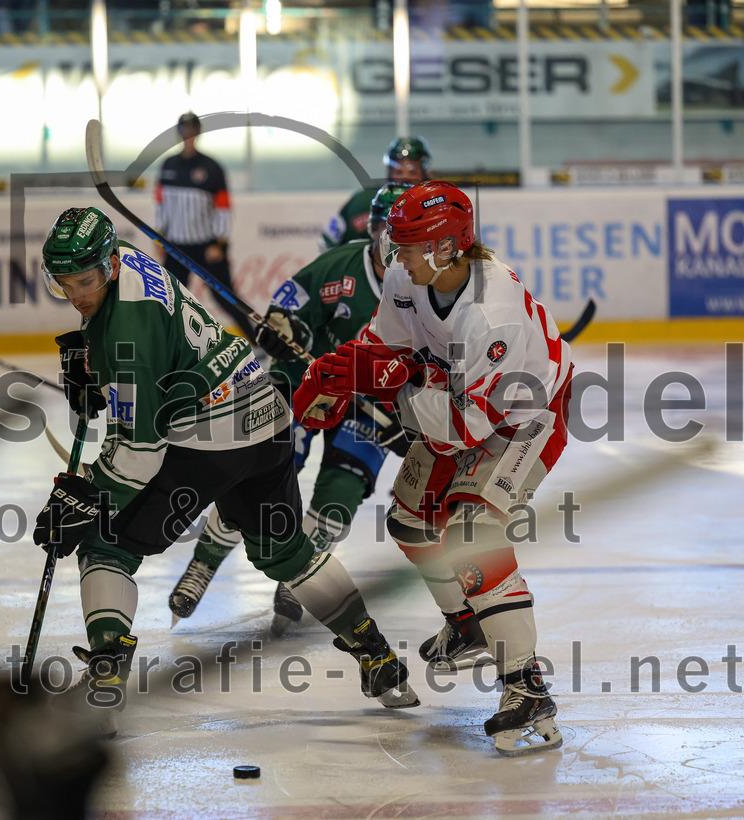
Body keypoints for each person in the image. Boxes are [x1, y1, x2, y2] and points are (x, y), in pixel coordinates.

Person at [32, 206, 419, 735]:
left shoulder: (126, 337)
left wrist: (86, 495)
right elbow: (158, 341)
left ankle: (105, 684)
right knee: (285, 550)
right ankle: (377, 657)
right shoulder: (130, 262)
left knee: (106, 545)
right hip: (265, 415)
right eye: (65, 285)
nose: (77, 294)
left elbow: (139, 450)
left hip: (209, 441)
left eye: (86, 281)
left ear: (108, 265)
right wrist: (91, 359)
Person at [295, 181, 571, 756]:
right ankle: (467, 623)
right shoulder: (407, 275)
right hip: (453, 399)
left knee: (473, 535)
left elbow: (468, 430)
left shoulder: (491, 314)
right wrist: (343, 370)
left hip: (525, 413)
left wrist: (397, 389)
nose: (397, 256)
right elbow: (383, 344)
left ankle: (528, 688)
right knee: (409, 522)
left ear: (447, 248)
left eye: (411, 246)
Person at [168, 182, 440, 637]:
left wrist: (411, 408)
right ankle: (203, 564)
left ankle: (299, 578)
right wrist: (280, 328)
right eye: (387, 235)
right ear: (373, 232)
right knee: (259, 475)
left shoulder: (428, 291)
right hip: (308, 383)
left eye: (406, 240)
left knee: (339, 499)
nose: (394, 250)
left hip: (371, 404)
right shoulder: (339, 268)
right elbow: (287, 309)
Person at [153, 111, 252, 335]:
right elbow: (160, 206)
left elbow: (224, 209)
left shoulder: (212, 167)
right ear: (179, 133)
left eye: (192, 130)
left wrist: (220, 243)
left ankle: (258, 341)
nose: (188, 134)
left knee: (226, 297)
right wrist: (159, 238)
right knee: (169, 301)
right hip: (176, 247)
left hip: (207, 246)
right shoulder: (168, 165)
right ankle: (168, 346)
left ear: (198, 132)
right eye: (184, 130)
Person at [320, 136, 432, 251]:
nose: (405, 177)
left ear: (424, 173)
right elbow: (327, 244)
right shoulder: (360, 203)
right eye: (398, 171)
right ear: (389, 172)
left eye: (412, 172)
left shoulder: (438, 203)